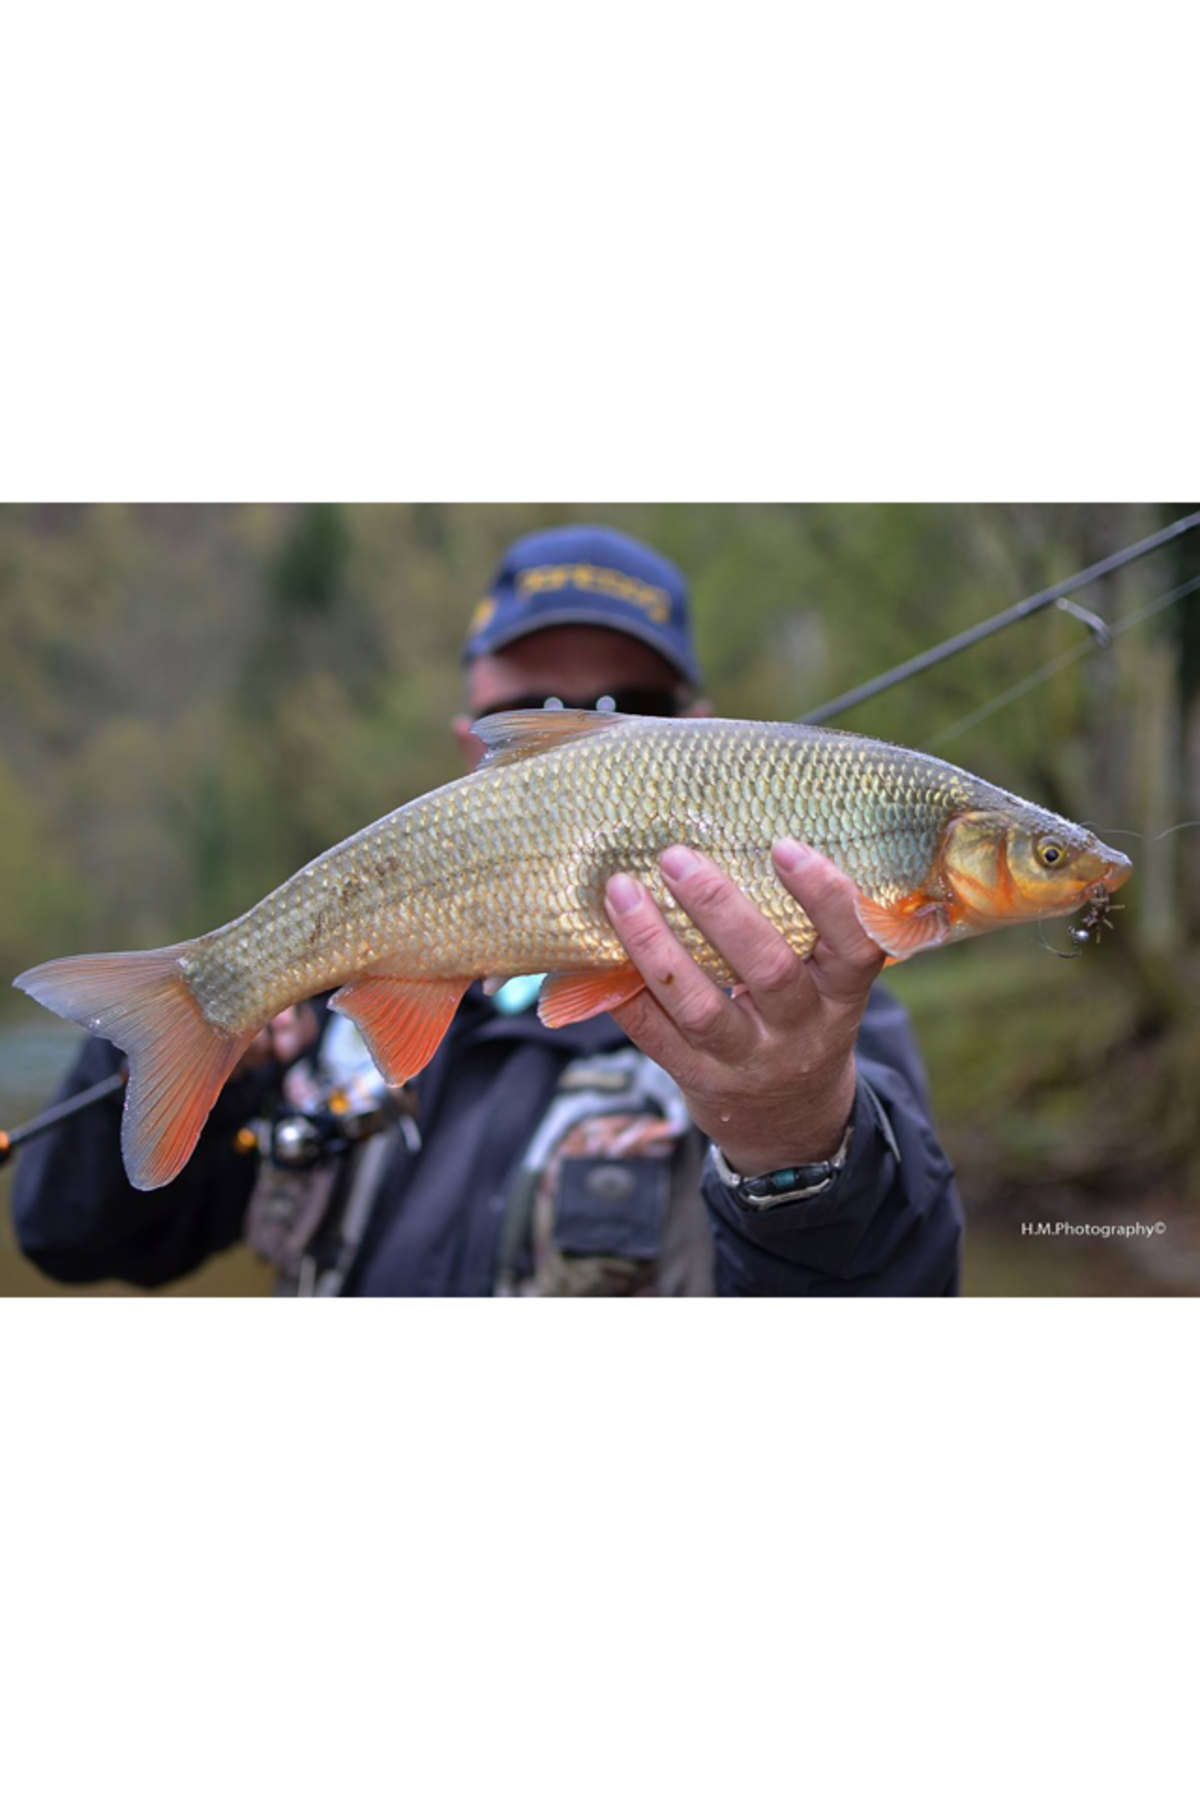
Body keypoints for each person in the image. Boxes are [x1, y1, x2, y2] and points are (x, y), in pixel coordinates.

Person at [12, 524, 964, 1296]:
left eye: (630, 703)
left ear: (701, 735)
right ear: (475, 735)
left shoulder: (813, 999)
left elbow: (902, 1287)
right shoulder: (318, 1018)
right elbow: (73, 1238)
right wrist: (193, 1042)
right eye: (547, 702)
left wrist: (797, 1130)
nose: (598, 727)